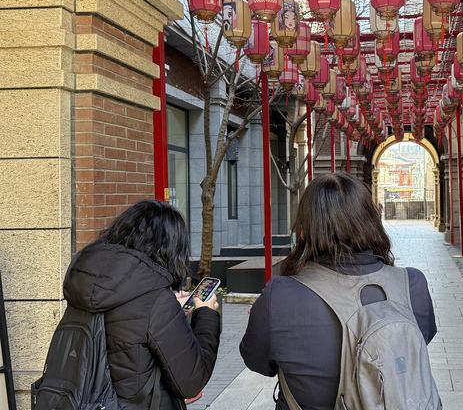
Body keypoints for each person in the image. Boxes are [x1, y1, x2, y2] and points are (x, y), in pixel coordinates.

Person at [240, 173, 438, 410]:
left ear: (303, 231)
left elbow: (257, 362)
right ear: (371, 222)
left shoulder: (280, 295)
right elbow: (416, 345)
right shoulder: (412, 284)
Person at [63, 200, 221, 409]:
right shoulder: (155, 302)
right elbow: (191, 381)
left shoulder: (87, 283)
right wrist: (206, 314)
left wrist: (169, 306)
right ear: (169, 249)